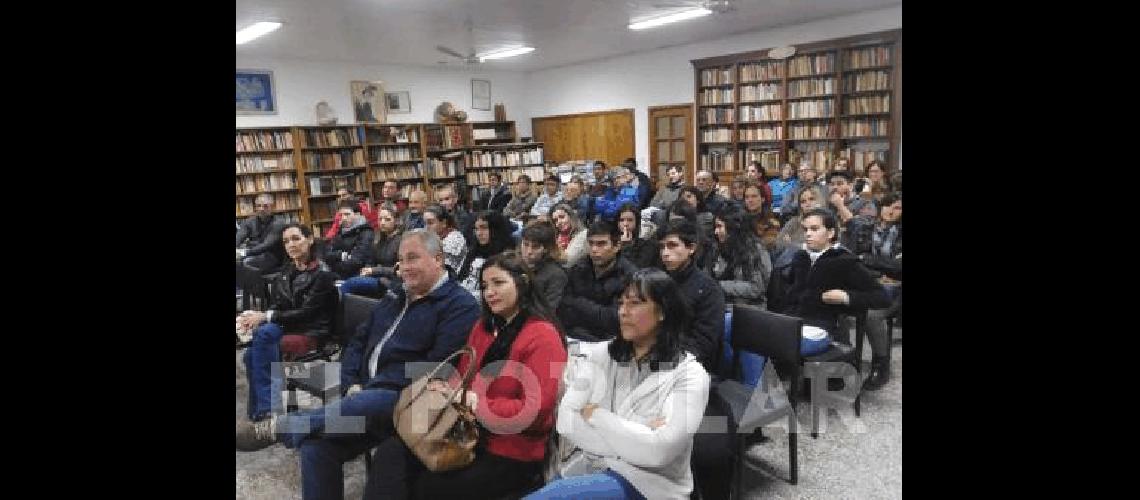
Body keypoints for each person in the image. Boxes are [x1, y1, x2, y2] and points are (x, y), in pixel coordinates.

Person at [236, 229, 482, 500]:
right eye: (401, 260)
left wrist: (368, 388)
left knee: (366, 401)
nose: (404, 268)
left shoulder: (460, 305)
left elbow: (432, 367)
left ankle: (277, 428)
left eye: (413, 258)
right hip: (363, 390)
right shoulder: (397, 293)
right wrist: (348, 380)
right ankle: (292, 422)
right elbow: (358, 339)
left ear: (438, 259)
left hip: (408, 401)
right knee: (314, 440)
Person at [365, 251, 568, 500]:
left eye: (498, 283)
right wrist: (445, 386)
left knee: (427, 487)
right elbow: (462, 374)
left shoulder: (543, 336)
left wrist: (474, 401)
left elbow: (537, 412)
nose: (489, 292)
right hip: (465, 431)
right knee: (391, 452)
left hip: (512, 449)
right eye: (484, 286)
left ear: (522, 282)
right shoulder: (484, 327)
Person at [529, 269, 710, 500]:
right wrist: (640, 432)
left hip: (650, 483)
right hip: (596, 465)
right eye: (621, 303)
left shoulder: (690, 375)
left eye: (634, 304)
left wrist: (595, 415)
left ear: (663, 311)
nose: (623, 312)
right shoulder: (602, 354)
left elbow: (659, 452)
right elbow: (566, 421)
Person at [237, 223, 339, 422]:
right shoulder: (287, 270)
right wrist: (255, 317)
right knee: (254, 348)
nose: (290, 244)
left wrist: (266, 317)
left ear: (309, 240)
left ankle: (265, 413)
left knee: (256, 348)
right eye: (286, 241)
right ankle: (263, 412)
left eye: (296, 238)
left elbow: (306, 313)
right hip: (288, 326)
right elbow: (277, 304)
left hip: (312, 331)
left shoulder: (323, 274)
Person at [783, 208, 889, 355]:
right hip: (790, 322)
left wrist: (846, 297)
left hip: (820, 329)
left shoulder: (845, 261)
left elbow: (881, 297)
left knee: (774, 346)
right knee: (752, 340)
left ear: (831, 233)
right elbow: (791, 291)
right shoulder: (800, 257)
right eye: (805, 229)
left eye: (814, 229)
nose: (807, 234)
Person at [657, 218, 725, 373]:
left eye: (673, 245)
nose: (665, 253)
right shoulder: (659, 282)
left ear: (691, 248)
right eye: (662, 247)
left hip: (689, 367)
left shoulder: (708, 290)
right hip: (657, 357)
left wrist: (660, 358)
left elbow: (702, 345)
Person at [557, 220, 638, 341]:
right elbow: (563, 304)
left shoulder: (630, 276)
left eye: (601, 244)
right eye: (591, 243)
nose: (594, 249)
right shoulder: (579, 267)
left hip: (608, 342)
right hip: (571, 335)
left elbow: (614, 319)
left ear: (617, 246)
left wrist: (578, 303)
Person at [856, 193, 902, 391]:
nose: (891, 210)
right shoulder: (865, 229)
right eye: (887, 205)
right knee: (835, 303)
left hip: (896, 291)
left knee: (872, 316)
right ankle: (844, 360)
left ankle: (880, 366)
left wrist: (872, 261)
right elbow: (856, 260)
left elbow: (899, 270)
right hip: (867, 284)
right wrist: (884, 268)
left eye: (898, 207)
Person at [712, 209, 771, 310]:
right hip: (724, 305)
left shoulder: (755, 250)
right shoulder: (721, 248)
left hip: (750, 310)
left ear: (732, 227)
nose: (715, 231)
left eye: (719, 226)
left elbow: (756, 288)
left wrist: (721, 285)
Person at [341, 203, 402, 298]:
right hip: (376, 277)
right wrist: (366, 269)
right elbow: (370, 260)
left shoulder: (401, 240)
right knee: (348, 283)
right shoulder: (378, 238)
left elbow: (398, 270)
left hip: (390, 281)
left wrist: (373, 270)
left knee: (349, 284)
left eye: (387, 219)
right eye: (380, 219)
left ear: (396, 221)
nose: (382, 222)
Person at [457, 210, 515, 300]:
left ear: (495, 229)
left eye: (483, 228)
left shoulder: (507, 255)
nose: (479, 233)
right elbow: (461, 277)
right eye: (476, 229)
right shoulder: (474, 250)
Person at [520, 221, 569, 311]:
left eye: (535, 247)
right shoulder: (515, 265)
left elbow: (548, 310)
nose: (529, 251)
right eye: (525, 244)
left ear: (546, 249)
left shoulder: (556, 275)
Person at [322, 201, 376, 280]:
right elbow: (327, 255)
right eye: (341, 215)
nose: (343, 218)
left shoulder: (366, 232)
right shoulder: (341, 231)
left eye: (347, 214)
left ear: (358, 215)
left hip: (359, 276)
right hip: (341, 275)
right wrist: (341, 255)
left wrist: (334, 263)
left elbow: (356, 261)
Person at [236, 193, 287, 273]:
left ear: (272, 207)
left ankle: (255, 285)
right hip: (255, 253)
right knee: (239, 262)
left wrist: (244, 252)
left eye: (265, 206)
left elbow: (266, 245)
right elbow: (238, 237)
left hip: (273, 256)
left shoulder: (279, 223)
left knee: (246, 262)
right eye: (258, 206)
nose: (261, 209)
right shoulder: (249, 222)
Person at [423, 204, 467, 274]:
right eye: (425, 223)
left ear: (444, 223)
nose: (426, 228)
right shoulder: (434, 238)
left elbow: (441, 270)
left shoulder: (454, 239)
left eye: (430, 223)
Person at [616, 202, 657, 269]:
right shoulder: (611, 242)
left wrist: (626, 247)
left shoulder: (648, 245)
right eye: (621, 220)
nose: (625, 224)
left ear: (637, 222)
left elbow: (637, 270)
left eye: (630, 220)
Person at [549, 202, 589, 268]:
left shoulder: (583, 235)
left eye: (562, 217)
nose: (559, 222)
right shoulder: (558, 236)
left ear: (571, 216)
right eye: (555, 220)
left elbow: (568, 263)